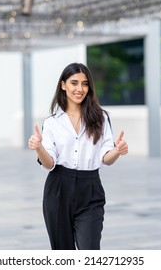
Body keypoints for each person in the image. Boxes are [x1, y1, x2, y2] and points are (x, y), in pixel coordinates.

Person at [28, 63, 128, 250]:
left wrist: (117, 150)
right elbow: (49, 164)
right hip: (58, 190)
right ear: (63, 85)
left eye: (85, 84)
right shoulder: (51, 123)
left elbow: (106, 158)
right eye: (74, 83)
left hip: (90, 189)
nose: (80, 89)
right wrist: (39, 148)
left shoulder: (101, 118)